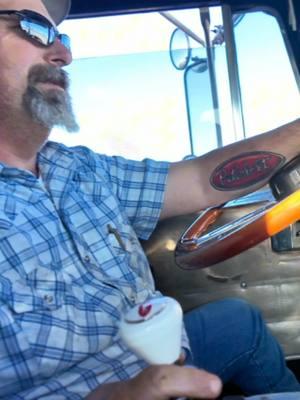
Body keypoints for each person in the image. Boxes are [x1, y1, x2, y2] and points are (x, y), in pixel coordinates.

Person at [0, 0, 300, 399]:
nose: (64, 55)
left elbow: (198, 180)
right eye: (35, 30)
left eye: (62, 37)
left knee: (237, 320)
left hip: (171, 359)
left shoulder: (80, 170)